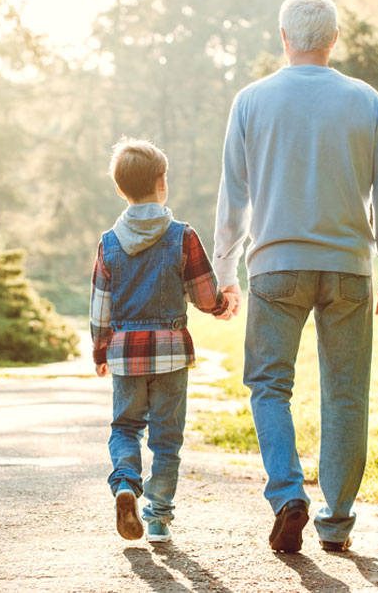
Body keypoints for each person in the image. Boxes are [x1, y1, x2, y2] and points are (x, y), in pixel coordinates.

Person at [212, 0, 378, 554]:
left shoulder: (251, 100)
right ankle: (337, 523)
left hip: (275, 268)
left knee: (269, 386)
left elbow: (235, 196)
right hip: (349, 270)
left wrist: (224, 269)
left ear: (283, 37)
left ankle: (287, 494)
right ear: (334, 39)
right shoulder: (366, 100)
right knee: (346, 395)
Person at [90, 137, 237, 543]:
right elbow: (205, 294)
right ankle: (158, 518)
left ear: (120, 189)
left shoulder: (109, 242)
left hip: (124, 354)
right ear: (162, 182)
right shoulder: (182, 235)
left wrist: (100, 351)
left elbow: (100, 306)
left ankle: (125, 483)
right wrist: (224, 305)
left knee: (125, 428)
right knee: (167, 440)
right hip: (171, 354)